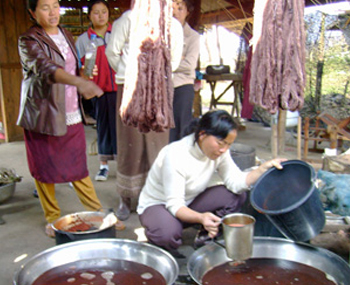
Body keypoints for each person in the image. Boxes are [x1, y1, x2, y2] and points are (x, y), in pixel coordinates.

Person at [137, 109, 286, 256]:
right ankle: (163, 240)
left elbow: (236, 182)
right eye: (221, 143)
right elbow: (175, 205)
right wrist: (201, 217)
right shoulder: (175, 155)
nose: (224, 149)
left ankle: (205, 237)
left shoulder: (220, 151)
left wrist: (262, 169)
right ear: (202, 135)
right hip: (159, 205)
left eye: (228, 144)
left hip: (188, 202)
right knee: (167, 232)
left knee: (235, 196)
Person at [18, 0, 108, 237]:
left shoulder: (66, 34)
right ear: (32, 12)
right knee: (44, 166)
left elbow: (72, 68)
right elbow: (45, 68)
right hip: (43, 113)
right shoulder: (28, 40)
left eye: (56, 6)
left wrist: (83, 73)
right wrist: (79, 82)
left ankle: (97, 211)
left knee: (77, 163)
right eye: (45, 7)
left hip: (70, 109)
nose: (53, 12)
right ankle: (52, 217)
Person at [105, 1, 183, 221]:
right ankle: (125, 197)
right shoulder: (128, 20)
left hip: (159, 90)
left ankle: (154, 197)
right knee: (129, 143)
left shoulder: (172, 25)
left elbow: (174, 60)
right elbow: (113, 52)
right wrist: (128, 74)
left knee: (158, 144)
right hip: (130, 88)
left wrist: (155, 75)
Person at [76, 0, 117, 182]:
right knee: (102, 127)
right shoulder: (84, 40)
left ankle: (123, 163)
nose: (100, 16)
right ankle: (103, 166)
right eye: (96, 12)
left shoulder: (117, 33)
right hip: (97, 91)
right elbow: (78, 67)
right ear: (90, 16)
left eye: (104, 12)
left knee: (122, 128)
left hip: (120, 88)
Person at [169, 0, 200, 143]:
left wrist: (167, 61)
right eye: (172, 9)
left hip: (182, 86)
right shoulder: (162, 34)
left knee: (182, 128)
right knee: (165, 129)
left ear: (188, 12)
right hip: (164, 86)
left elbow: (189, 65)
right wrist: (177, 59)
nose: (175, 12)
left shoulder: (193, 37)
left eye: (180, 9)